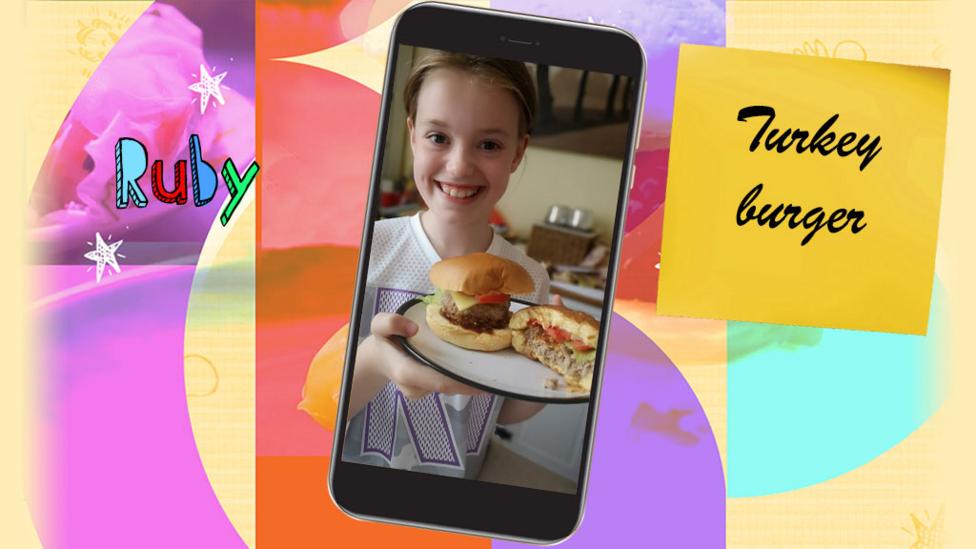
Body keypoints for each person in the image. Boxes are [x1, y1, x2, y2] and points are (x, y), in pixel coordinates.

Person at [341, 51, 551, 479]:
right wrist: (376, 361)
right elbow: (313, 408)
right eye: (439, 137)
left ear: (517, 152)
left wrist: (553, 370)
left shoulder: (532, 280)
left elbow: (504, 411)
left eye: (489, 144)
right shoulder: (363, 250)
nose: (459, 166)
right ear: (413, 135)